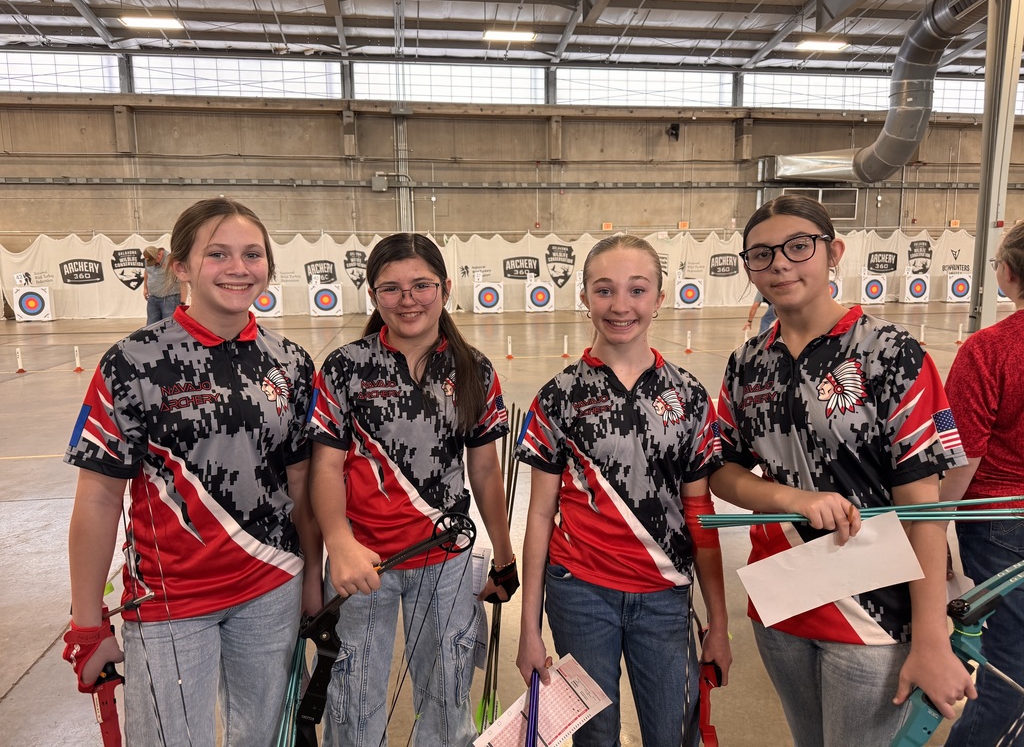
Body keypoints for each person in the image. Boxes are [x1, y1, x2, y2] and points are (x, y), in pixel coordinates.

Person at [711, 194, 976, 747]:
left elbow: (922, 506)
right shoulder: (746, 363)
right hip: (783, 597)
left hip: (874, 607)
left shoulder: (890, 352)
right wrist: (793, 500)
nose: (780, 264)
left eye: (798, 247)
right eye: (761, 254)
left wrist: (931, 635)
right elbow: (723, 471)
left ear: (834, 253)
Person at [63, 198, 322, 746]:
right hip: (170, 600)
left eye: (252, 254)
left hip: (273, 585)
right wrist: (87, 621)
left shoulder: (292, 362)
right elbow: (98, 498)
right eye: (217, 254)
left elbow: (301, 485)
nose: (239, 268)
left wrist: (312, 580)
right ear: (179, 266)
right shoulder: (131, 362)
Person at [515, 234, 732, 747]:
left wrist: (718, 622)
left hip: (665, 596)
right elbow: (540, 515)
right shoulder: (558, 396)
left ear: (659, 298)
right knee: (594, 738)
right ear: (585, 297)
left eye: (637, 290)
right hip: (580, 593)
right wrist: (528, 630)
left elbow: (700, 512)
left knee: (673, 735)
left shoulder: (689, 394)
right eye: (604, 289)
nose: (620, 305)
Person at [307, 232, 517, 747]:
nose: (408, 300)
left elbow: (485, 471)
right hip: (362, 562)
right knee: (353, 703)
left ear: (445, 288)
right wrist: (339, 543)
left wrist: (504, 555)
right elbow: (325, 468)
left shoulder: (473, 369)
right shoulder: (345, 367)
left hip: (444, 556)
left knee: (447, 701)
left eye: (421, 285)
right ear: (373, 295)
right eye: (391, 288)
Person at [942, 224, 1024, 746]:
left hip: (999, 520)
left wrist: (930, 531)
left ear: (1007, 274)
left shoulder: (988, 349)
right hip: (1003, 520)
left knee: (1009, 667)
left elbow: (960, 456)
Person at [142, 245, 182, 324]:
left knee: (168, 326)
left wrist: (183, 300)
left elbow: (182, 278)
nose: (152, 264)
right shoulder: (149, 259)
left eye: (154, 261)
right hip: (153, 298)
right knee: (151, 326)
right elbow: (147, 272)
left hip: (169, 299)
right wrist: (145, 288)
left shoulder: (170, 259)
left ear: (159, 255)